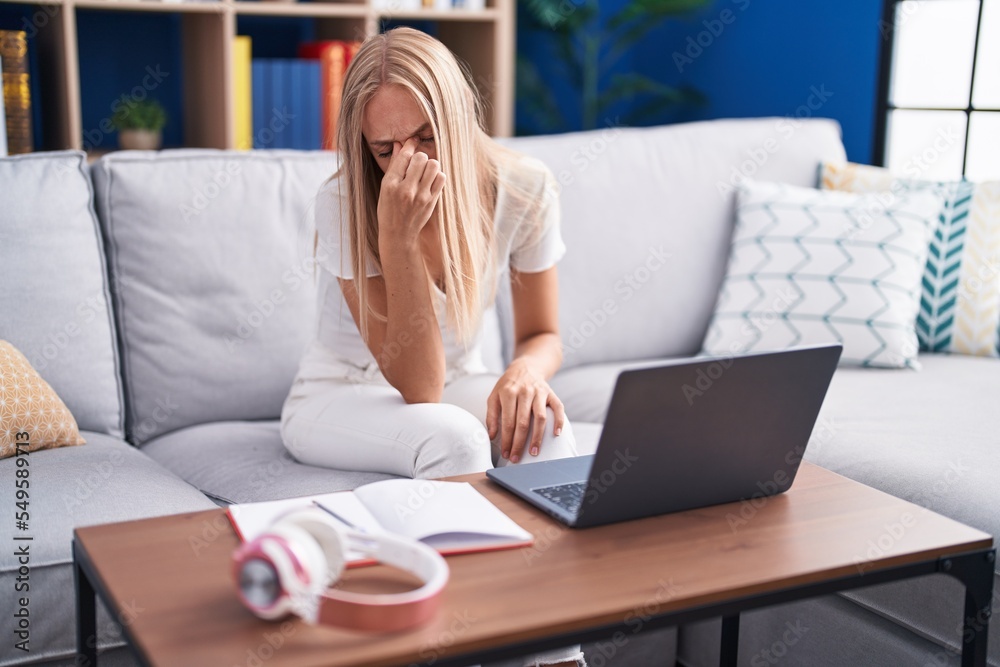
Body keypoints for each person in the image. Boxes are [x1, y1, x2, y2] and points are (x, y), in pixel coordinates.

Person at [280, 26, 586, 667]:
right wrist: (395, 234)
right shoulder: (344, 200)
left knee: (547, 426)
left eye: (426, 137)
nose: (408, 162)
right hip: (340, 394)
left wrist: (526, 372)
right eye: (386, 148)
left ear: (457, 115)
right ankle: (472, 647)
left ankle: (557, 656)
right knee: (455, 437)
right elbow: (417, 388)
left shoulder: (523, 187)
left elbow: (542, 334)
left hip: (458, 380)